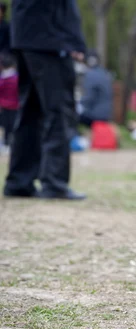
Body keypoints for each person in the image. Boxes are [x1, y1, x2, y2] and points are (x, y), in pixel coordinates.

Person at [3, 0, 87, 200]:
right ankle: (54, 182)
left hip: (25, 34)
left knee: (30, 111)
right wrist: (73, 39)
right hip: (50, 37)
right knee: (57, 111)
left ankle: (19, 181)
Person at [78, 51, 113, 127]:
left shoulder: (90, 74)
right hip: (106, 115)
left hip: (95, 116)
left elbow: (88, 99)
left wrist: (78, 105)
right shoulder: (104, 73)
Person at [0, 52, 18, 151]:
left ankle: (7, 143)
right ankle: (11, 143)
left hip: (5, 106)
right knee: (13, 127)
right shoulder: (16, 78)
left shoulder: (2, 80)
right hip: (15, 106)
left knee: (7, 128)